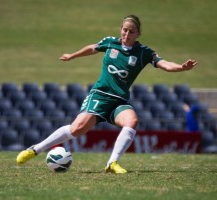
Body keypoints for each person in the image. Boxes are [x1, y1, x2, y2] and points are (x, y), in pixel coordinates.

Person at [16, 15, 198, 174]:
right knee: (76, 129)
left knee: (132, 121)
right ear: (121, 30)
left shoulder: (144, 52)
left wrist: (182, 67)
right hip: (100, 95)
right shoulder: (110, 42)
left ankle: (112, 163)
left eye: (131, 32)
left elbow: (164, 64)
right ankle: (35, 149)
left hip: (118, 101)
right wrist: (72, 55)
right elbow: (92, 48)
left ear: (138, 34)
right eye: (125, 30)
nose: (127, 34)